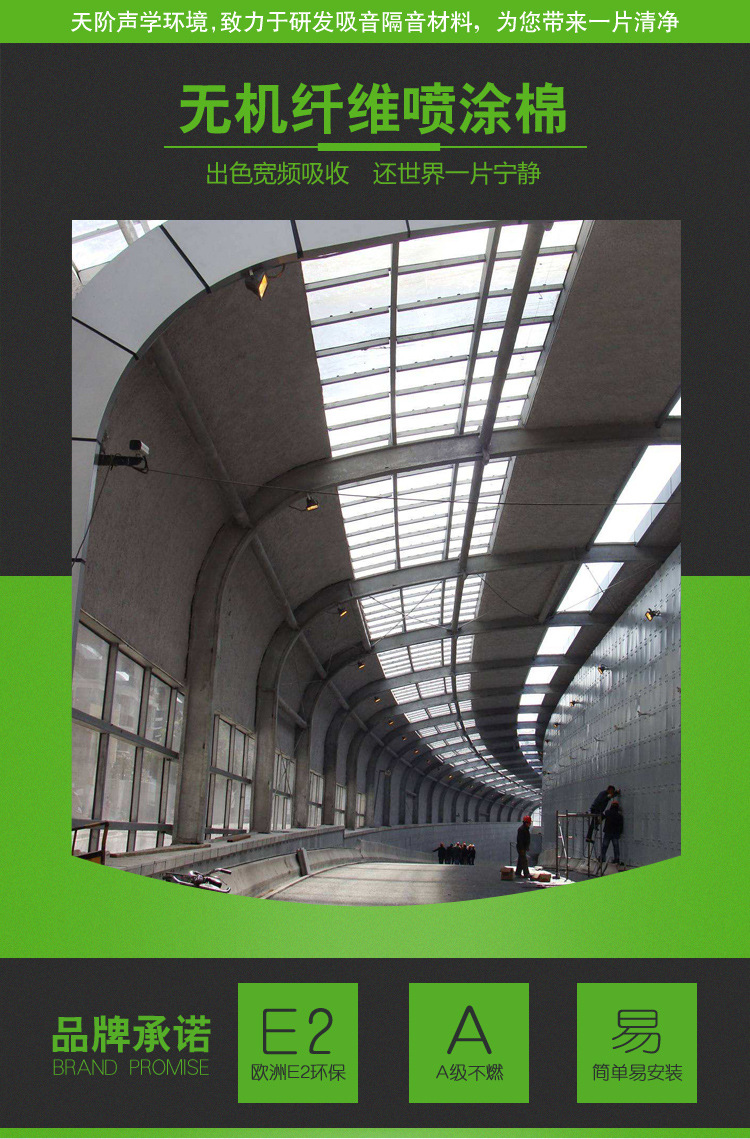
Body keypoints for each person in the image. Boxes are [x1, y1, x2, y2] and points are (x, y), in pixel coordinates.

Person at [601, 799, 624, 864]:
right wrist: (620, 833)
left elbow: (602, 816)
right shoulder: (619, 815)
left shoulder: (607, 812)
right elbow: (621, 825)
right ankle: (617, 859)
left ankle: (602, 858)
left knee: (604, 846)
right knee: (616, 847)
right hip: (615, 833)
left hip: (607, 832)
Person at [515, 815, 532, 879]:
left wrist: (527, 847)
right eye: (529, 823)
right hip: (521, 848)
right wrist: (522, 848)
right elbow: (520, 840)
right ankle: (526, 873)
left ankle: (518, 873)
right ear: (526, 823)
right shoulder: (522, 829)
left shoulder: (525, 829)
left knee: (521, 860)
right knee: (524, 861)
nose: (530, 824)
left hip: (523, 847)